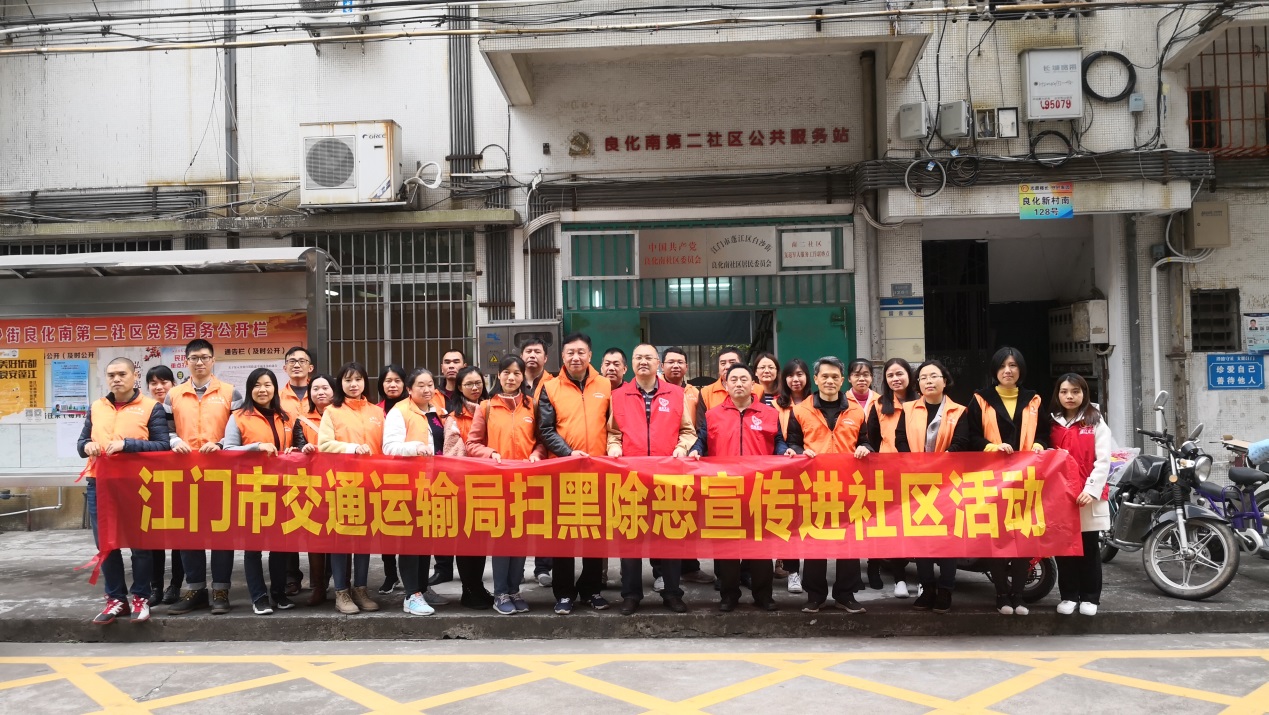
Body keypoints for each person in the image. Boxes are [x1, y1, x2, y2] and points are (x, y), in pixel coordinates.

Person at [77, 357, 170, 625]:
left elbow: (162, 445)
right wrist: (87, 447)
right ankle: (116, 600)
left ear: (134, 376)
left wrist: (128, 445)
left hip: (137, 485)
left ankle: (141, 597)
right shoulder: (97, 407)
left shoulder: (151, 407)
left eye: (121, 374)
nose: (116, 379)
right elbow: (82, 442)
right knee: (107, 545)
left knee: (140, 545)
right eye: (111, 375)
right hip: (100, 483)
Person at [606, 343, 696, 615]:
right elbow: (613, 433)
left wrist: (682, 448)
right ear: (631, 364)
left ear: (658, 364)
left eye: (648, 357)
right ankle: (631, 595)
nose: (643, 362)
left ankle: (672, 593)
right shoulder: (619, 395)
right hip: (630, 478)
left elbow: (688, 431)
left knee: (670, 537)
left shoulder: (676, 394)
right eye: (638, 357)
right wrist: (614, 447)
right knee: (630, 538)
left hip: (668, 477)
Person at [689, 364, 786, 612]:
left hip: (759, 489)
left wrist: (785, 451)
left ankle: (763, 595)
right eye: (734, 379)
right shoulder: (713, 414)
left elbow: (778, 442)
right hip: (724, 490)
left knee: (760, 547)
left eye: (744, 379)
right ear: (726, 384)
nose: (739, 383)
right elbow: (703, 440)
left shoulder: (769, 413)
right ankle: (729, 595)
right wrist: (696, 450)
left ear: (753, 383)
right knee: (727, 548)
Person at [782, 356, 870, 615]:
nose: (830, 381)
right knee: (815, 542)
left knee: (849, 541)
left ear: (842, 381)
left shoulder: (856, 411)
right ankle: (815, 596)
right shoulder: (801, 410)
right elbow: (793, 442)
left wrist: (866, 447)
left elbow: (866, 441)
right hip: (814, 485)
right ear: (816, 379)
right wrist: (799, 452)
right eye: (825, 376)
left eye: (835, 377)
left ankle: (846, 595)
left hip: (848, 486)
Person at [967, 347, 1049, 616]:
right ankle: (1001, 594)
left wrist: (1039, 444)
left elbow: (1045, 432)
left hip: (1026, 478)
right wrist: (991, 447)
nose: (1008, 371)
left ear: (1020, 369)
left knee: (1023, 537)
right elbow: (971, 435)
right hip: (992, 478)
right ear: (995, 370)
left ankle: (1018, 596)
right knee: (997, 537)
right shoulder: (981, 399)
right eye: (1003, 366)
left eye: (1013, 365)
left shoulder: (1033, 399)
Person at [536, 332, 613, 615]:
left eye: (581, 352)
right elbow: (545, 429)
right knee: (564, 535)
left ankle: (591, 589)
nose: (576, 357)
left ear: (590, 355)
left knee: (595, 534)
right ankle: (564, 593)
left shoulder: (605, 385)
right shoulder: (550, 387)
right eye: (570, 352)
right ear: (562, 356)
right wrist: (568, 453)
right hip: (564, 471)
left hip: (598, 472)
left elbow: (614, 425)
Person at [465, 355, 547, 614]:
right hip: (497, 485)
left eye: (516, 373)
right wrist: (491, 454)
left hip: (525, 483)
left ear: (523, 377)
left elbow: (541, 440)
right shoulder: (486, 407)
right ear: (498, 376)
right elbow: (472, 444)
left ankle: (514, 590)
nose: (511, 378)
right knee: (501, 539)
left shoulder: (532, 406)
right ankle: (500, 592)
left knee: (520, 539)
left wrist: (537, 455)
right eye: (506, 373)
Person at [167, 339, 242, 616]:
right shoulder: (173, 395)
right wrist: (175, 441)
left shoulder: (231, 393)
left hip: (221, 473)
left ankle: (221, 590)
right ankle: (195, 589)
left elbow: (240, 428)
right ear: (186, 361)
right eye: (194, 358)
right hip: (183, 474)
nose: (200, 362)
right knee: (188, 533)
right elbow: (164, 428)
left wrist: (221, 443)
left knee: (222, 532)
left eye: (205, 357)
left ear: (213, 360)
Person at [893, 360, 970, 613]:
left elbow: (962, 442)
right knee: (921, 537)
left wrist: (939, 463)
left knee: (947, 538)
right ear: (918, 384)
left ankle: (946, 589)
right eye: (923, 377)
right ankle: (927, 588)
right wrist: (912, 464)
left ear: (944, 381)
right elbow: (900, 439)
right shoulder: (908, 409)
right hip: (916, 482)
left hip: (948, 484)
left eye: (934, 376)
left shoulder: (959, 411)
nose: (928, 381)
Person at [221, 368, 298, 615]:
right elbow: (228, 450)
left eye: (267, 385)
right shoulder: (238, 416)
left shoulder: (285, 417)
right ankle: (258, 597)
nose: (262, 390)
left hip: (281, 489)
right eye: (256, 385)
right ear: (249, 389)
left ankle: (279, 593)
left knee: (280, 545)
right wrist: (255, 447)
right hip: (250, 489)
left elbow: (293, 446)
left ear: (275, 388)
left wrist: (293, 451)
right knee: (253, 547)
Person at [383, 368, 451, 616]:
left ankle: (422, 588)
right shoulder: (399, 412)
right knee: (410, 540)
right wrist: (415, 447)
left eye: (430, 384)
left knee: (425, 539)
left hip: (435, 484)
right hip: (408, 485)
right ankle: (411, 595)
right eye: (420, 385)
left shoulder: (437, 412)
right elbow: (389, 447)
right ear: (409, 389)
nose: (427, 389)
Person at [317, 362, 384, 615]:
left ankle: (361, 589)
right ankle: (341, 592)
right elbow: (324, 444)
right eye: (347, 380)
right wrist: (352, 448)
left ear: (365, 382)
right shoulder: (332, 411)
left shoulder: (377, 412)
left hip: (371, 485)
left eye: (358, 379)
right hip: (341, 485)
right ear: (340, 384)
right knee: (341, 540)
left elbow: (385, 447)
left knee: (363, 540)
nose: (353, 384)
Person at [1050, 373, 1111, 617]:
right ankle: (1068, 595)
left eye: (1075, 391)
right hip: (1059, 496)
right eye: (1064, 391)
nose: (1069, 396)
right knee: (1063, 547)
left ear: (1084, 393)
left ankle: (1090, 597)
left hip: (1086, 496)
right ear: (1057, 394)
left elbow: (1103, 460)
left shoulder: (1095, 421)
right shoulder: (1051, 422)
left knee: (1088, 547)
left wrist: (1091, 489)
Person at [655, 346, 714, 588]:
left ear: (687, 366)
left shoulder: (693, 393)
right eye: (670, 362)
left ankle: (690, 568)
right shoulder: (654, 390)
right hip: (661, 464)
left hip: (688, 463)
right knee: (661, 518)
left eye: (680, 362)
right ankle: (660, 572)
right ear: (662, 366)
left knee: (687, 517)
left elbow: (699, 425)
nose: (675, 366)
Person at [863, 357, 918, 597]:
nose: (895, 379)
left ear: (909, 375)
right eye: (890, 375)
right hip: (889, 474)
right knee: (894, 526)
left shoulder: (921, 401)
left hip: (920, 474)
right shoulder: (879, 405)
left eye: (899, 373)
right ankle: (899, 578)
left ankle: (924, 579)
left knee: (919, 526)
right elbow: (873, 440)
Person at [442, 365, 496, 610]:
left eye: (478, 383)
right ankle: (469, 589)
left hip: (487, 483)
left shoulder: (490, 408)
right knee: (465, 540)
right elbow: (452, 452)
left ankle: (477, 586)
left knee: (481, 539)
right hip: (462, 485)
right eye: (469, 384)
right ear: (459, 387)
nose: (475, 388)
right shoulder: (454, 417)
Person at [428, 352, 470, 587]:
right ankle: (443, 568)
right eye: (447, 362)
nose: (451, 366)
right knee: (442, 518)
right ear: (441, 367)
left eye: (456, 362)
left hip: (467, 466)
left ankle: (468, 570)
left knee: (466, 517)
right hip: (438, 464)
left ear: (464, 365)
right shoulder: (432, 395)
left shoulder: (471, 390)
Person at [295, 373, 336, 606]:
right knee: (316, 536)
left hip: (340, 483)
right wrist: (304, 449)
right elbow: (297, 445)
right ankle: (318, 586)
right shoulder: (301, 420)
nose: (320, 392)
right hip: (313, 485)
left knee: (339, 536)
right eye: (315, 389)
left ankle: (341, 584)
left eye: (325, 388)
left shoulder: (341, 415)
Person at [144, 364, 183, 607]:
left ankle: (176, 585)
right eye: (154, 383)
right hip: (152, 480)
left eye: (164, 382)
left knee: (179, 535)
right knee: (154, 537)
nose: (159, 387)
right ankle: (155, 586)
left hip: (180, 479)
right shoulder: (145, 409)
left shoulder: (179, 408)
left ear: (173, 385)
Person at [278, 347, 315, 597]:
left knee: (317, 519)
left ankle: (319, 577)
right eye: (292, 361)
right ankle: (291, 576)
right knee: (288, 521)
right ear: (285, 367)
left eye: (302, 361)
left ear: (310, 367)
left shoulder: (321, 391)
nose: (297, 364)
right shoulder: (277, 397)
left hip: (318, 467)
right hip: (286, 467)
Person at [773, 358, 811, 593]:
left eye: (800, 374)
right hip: (784, 470)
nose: (795, 379)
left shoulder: (815, 402)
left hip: (812, 469)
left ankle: (813, 573)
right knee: (789, 521)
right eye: (790, 375)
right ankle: (792, 571)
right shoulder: (775, 405)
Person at [520, 338, 556, 587]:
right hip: (518, 459)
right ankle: (517, 566)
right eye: (528, 351)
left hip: (546, 458)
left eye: (537, 352)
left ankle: (543, 567)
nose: (532, 355)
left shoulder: (554, 384)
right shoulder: (511, 380)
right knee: (518, 515)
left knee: (546, 515)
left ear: (546, 358)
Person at [375, 364, 408, 595]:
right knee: (385, 527)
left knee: (409, 528)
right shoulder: (374, 411)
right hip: (381, 477)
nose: (392, 385)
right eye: (388, 381)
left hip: (409, 476)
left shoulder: (412, 407)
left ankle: (413, 578)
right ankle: (390, 575)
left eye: (397, 380)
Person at [695, 348, 763, 427]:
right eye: (723, 363)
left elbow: (764, 420)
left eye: (732, 362)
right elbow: (701, 427)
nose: (727, 367)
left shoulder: (758, 389)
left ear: (741, 365)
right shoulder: (706, 393)